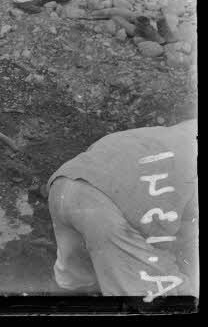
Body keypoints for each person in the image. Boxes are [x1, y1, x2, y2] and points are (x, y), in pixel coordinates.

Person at [45, 119, 198, 300]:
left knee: (79, 275)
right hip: (106, 211)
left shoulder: (167, 134)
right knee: (159, 298)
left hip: (65, 183)